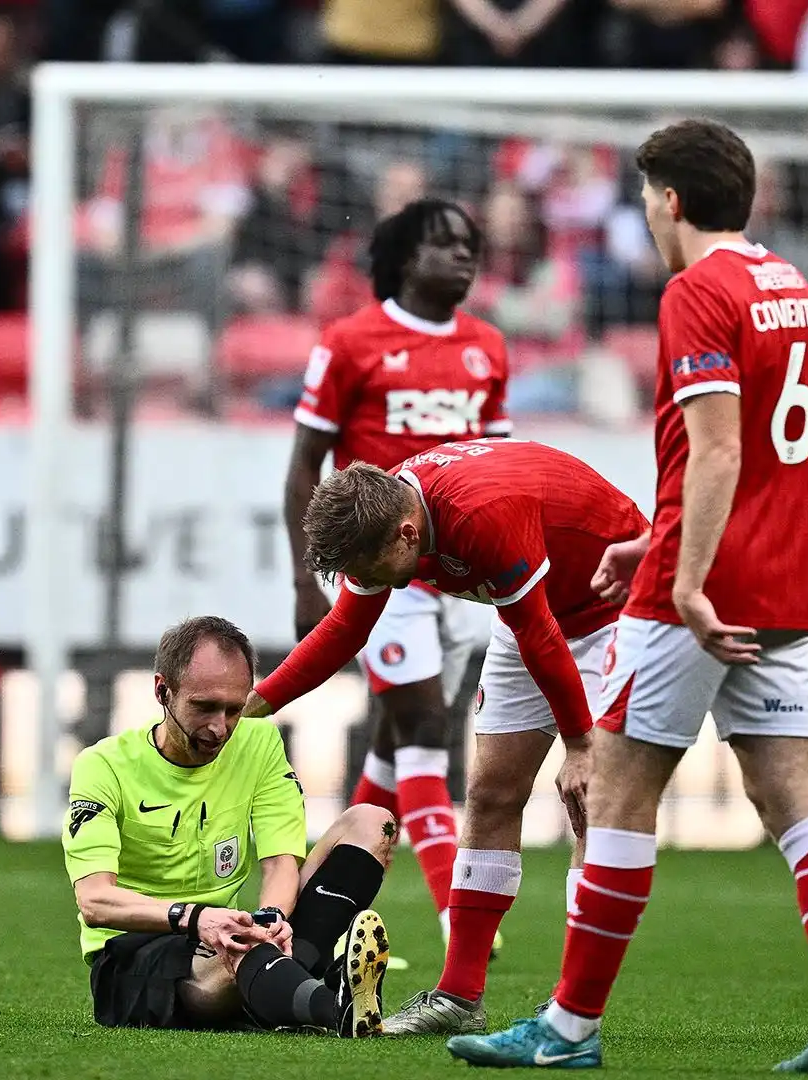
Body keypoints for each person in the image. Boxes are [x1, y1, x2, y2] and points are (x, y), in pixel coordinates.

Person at [449, 119, 808, 1072]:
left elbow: (722, 445)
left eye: (647, 196)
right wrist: (656, 534)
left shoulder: (698, 291)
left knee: (616, 790)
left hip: (701, 591)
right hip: (779, 585)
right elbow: (767, 453)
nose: (644, 213)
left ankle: (566, 1030)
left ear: (672, 200)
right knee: (794, 797)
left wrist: (676, 574)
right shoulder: (790, 287)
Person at [249, 438, 647, 1037]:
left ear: (408, 536)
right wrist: (257, 705)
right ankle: (459, 996)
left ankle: (573, 1007)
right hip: (536, 613)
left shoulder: (481, 517)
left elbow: (541, 633)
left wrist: (581, 744)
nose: (370, 584)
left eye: (370, 570)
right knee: (489, 794)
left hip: (614, 611)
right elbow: (344, 629)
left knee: (591, 800)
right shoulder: (385, 512)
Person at [286, 198, 507, 947]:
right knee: (423, 724)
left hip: (457, 570)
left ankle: (322, 911)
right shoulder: (350, 342)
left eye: (472, 244)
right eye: (445, 243)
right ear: (405, 257)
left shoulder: (488, 349)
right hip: (383, 571)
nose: (464, 256)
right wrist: (300, 581)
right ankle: (460, 918)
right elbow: (302, 469)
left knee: (392, 739)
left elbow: (499, 464)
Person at [66, 616, 396, 1037]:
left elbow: (280, 864)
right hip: (134, 953)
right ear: (162, 691)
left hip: (231, 932)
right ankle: (330, 1005)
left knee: (373, 823)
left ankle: (287, 984)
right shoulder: (102, 766)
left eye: (234, 709)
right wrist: (196, 918)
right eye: (204, 707)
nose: (219, 727)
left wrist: (271, 917)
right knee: (238, 946)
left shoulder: (258, 743)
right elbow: (94, 901)